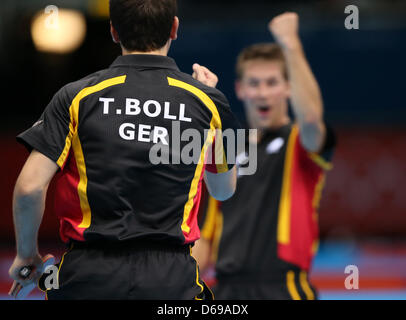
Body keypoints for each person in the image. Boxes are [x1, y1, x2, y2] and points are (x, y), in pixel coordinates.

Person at [8, 0, 240, 300]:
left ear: (114, 31)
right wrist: (207, 104)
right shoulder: (212, 103)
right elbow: (224, 190)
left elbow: (28, 188)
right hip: (171, 279)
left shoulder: (75, 96)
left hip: (86, 276)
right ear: (174, 28)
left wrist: (27, 256)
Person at [192, 12, 336, 300]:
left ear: (288, 89)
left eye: (272, 83)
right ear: (240, 90)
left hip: (284, 287)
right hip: (227, 289)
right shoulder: (226, 149)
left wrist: (291, 44)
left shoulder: (300, 143)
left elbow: (310, 118)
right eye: (254, 84)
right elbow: (206, 237)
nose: (263, 93)